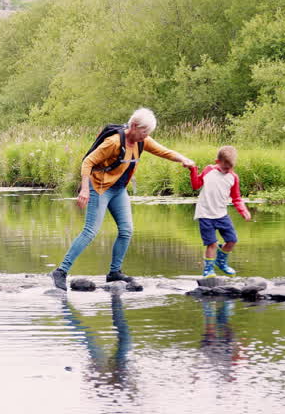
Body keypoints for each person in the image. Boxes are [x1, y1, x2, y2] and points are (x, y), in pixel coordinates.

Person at [51, 108, 196, 290]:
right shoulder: (113, 142)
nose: (147, 136)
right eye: (145, 132)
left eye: (148, 133)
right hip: (100, 188)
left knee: (126, 230)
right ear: (134, 126)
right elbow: (88, 161)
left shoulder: (141, 141)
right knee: (90, 232)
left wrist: (184, 159)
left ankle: (114, 273)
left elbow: (163, 151)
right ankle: (60, 271)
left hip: (118, 189)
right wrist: (85, 189)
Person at [190, 145, 252, 277]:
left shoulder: (233, 177)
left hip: (221, 214)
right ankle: (208, 270)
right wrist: (193, 170)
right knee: (211, 243)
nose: (227, 171)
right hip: (205, 214)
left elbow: (236, 198)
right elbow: (196, 185)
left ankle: (221, 262)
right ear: (217, 161)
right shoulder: (208, 170)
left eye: (230, 168)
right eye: (225, 167)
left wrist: (244, 211)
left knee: (232, 240)